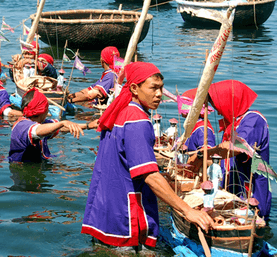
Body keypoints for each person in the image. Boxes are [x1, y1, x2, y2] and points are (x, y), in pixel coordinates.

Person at [81, 62, 214, 251]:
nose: (159, 94)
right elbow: (149, 175)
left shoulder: (120, 112)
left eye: (161, 88)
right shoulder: (138, 120)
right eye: (153, 88)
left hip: (105, 210)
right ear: (134, 88)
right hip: (126, 216)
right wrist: (187, 210)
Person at [190, 80, 272, 220]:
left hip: (250, 194)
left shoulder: (253, 119)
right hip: (232, 192)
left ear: (228, 100)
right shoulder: (232, 124)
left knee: (249, 223)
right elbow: (221, 158)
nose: (215, 109)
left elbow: (235, 148)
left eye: (216, 103)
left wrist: (201, 154)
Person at [8, 88, 98, 163]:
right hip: (23, 172)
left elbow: (60, 128)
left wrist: (89, 125)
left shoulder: (42, 123)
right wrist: (62, 122)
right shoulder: (22, 126)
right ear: (44, 111)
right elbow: (37, 130)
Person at [177, 88, 216, 152]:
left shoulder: (202, 129)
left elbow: (207, 151)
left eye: (183, 106)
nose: (181, 111)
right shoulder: (192, 125)